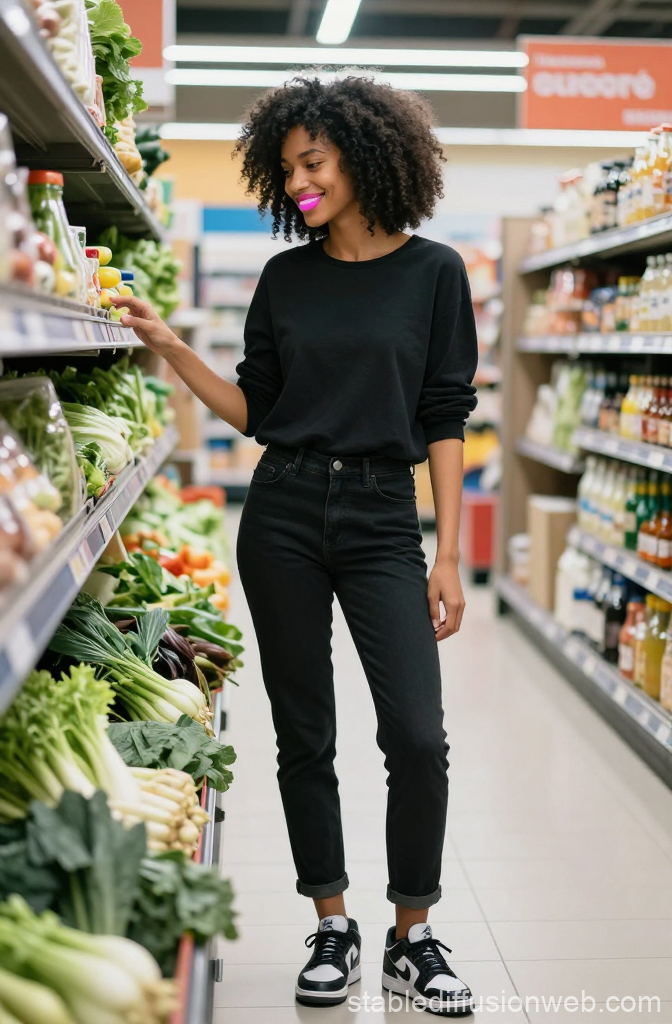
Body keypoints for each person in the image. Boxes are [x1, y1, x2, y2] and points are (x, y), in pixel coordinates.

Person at [113, 74, 478, 1017]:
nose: (301, 182)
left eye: (313, 162)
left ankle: (415, 934)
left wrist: (449, 550)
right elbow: (256, 412)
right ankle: (331, 921)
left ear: (364, 155)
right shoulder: (285, 277)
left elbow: (444, 412)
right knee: (302, 733)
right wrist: (173, 350)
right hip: (280, 512)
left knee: (417, 738)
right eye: (288, 169)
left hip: (383, 520)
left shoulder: (435, 272)